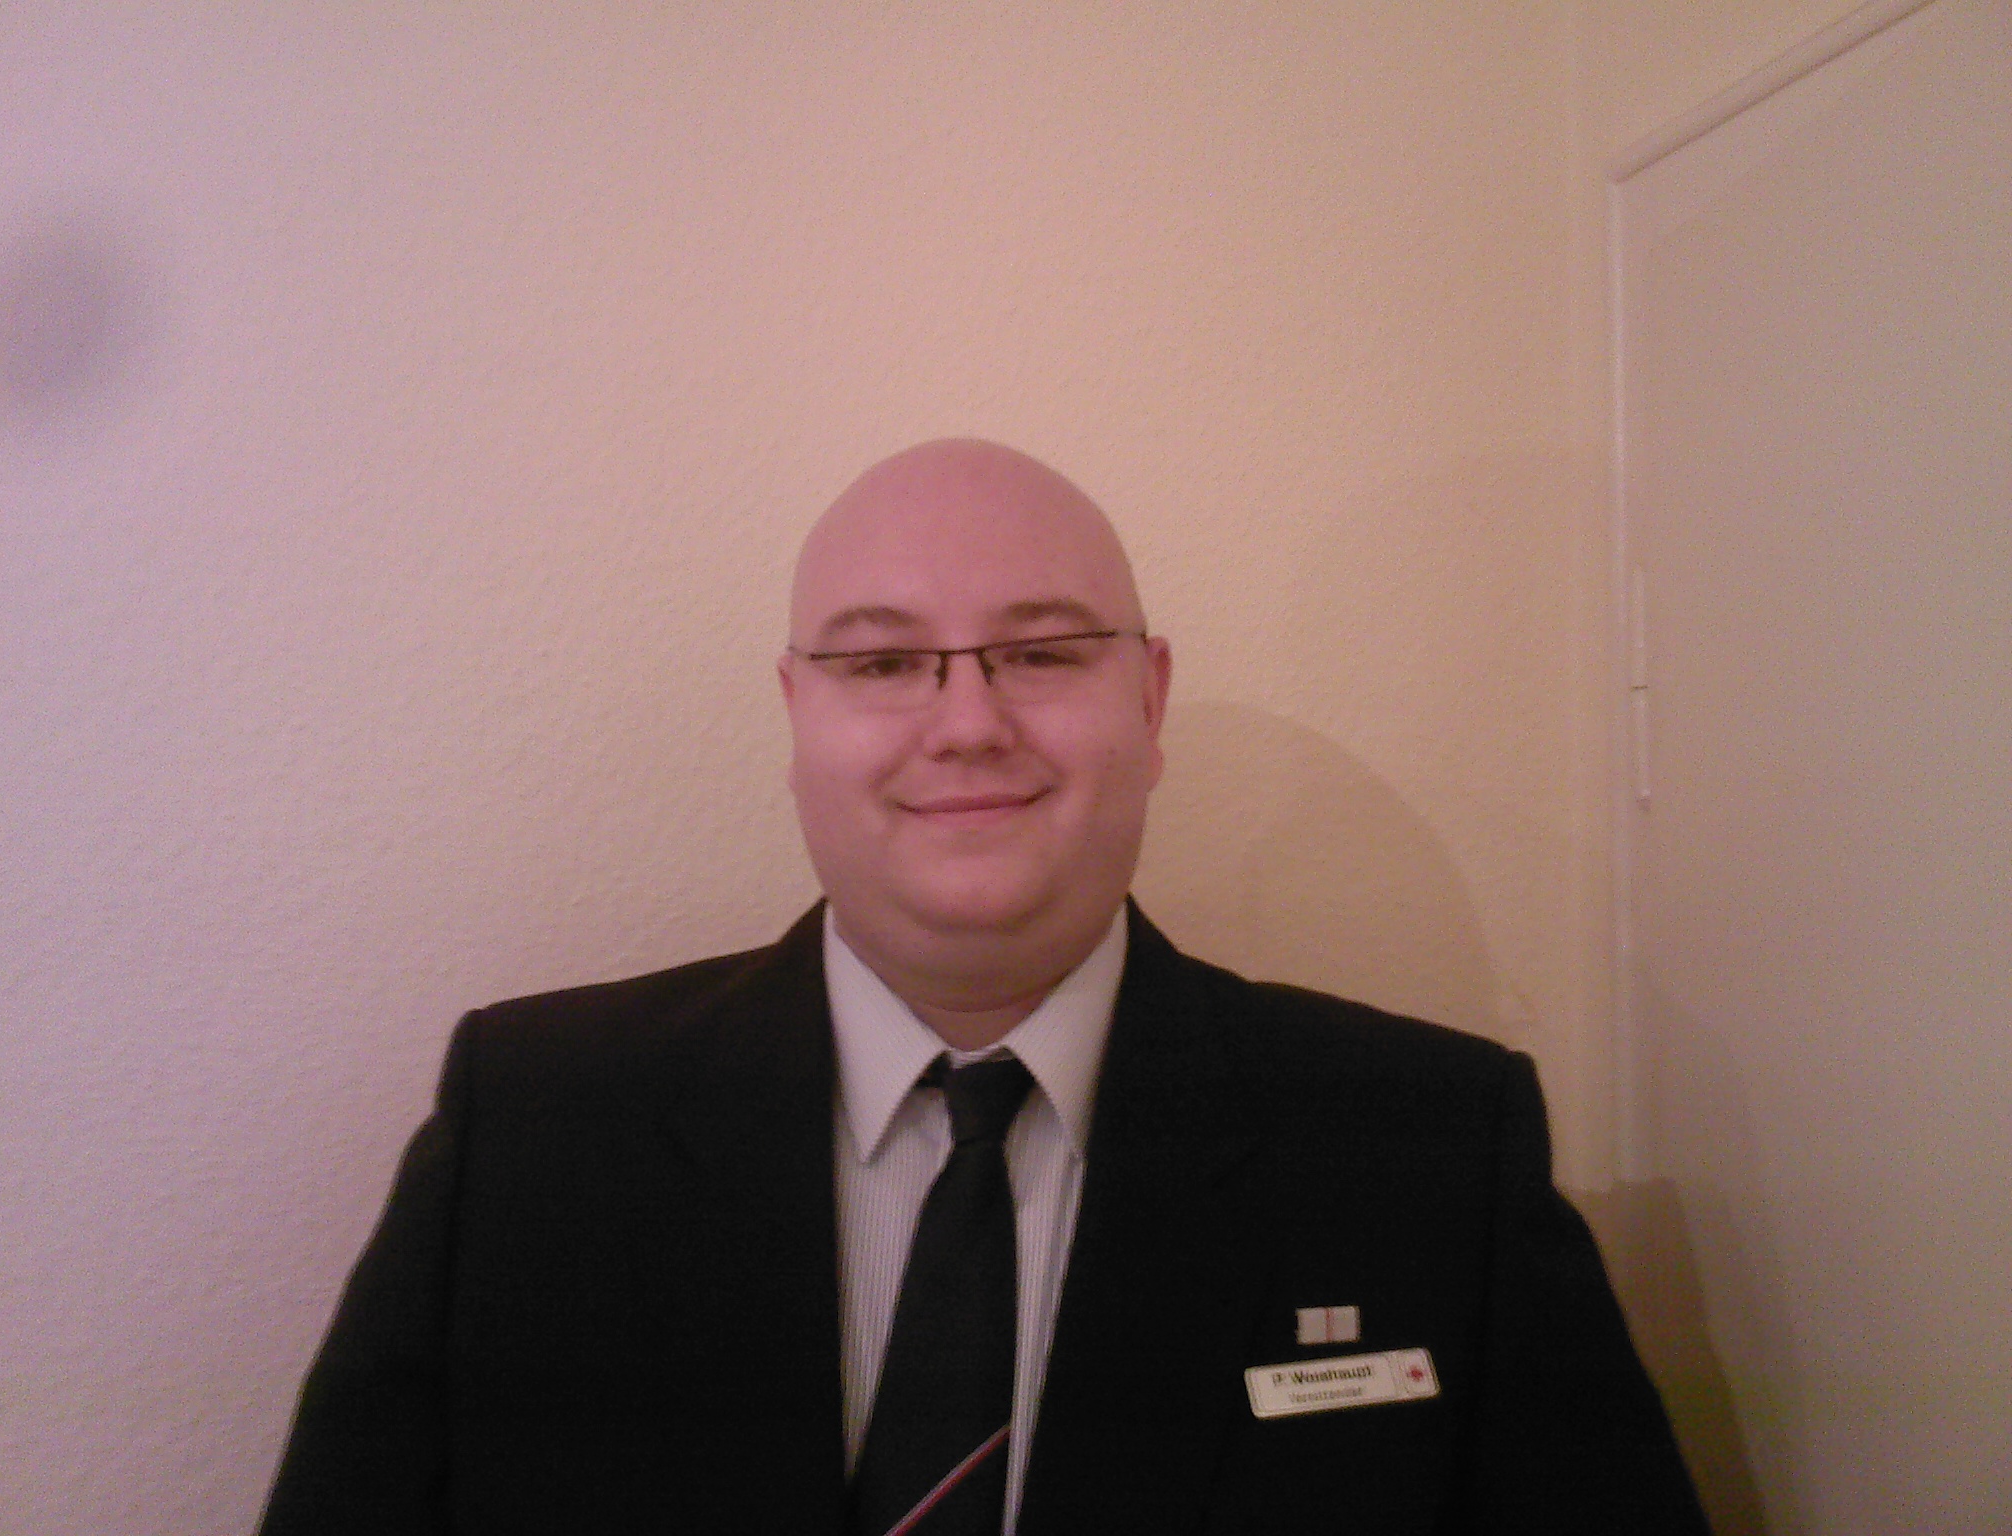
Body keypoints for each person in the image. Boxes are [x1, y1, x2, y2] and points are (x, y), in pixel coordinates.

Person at [261, 440, 1709, 1535]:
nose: (966, 723)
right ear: (796, 713)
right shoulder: (533, 1132)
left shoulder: (1426, 1151)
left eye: (1042, 652)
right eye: (883, 661)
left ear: (1149, 700)